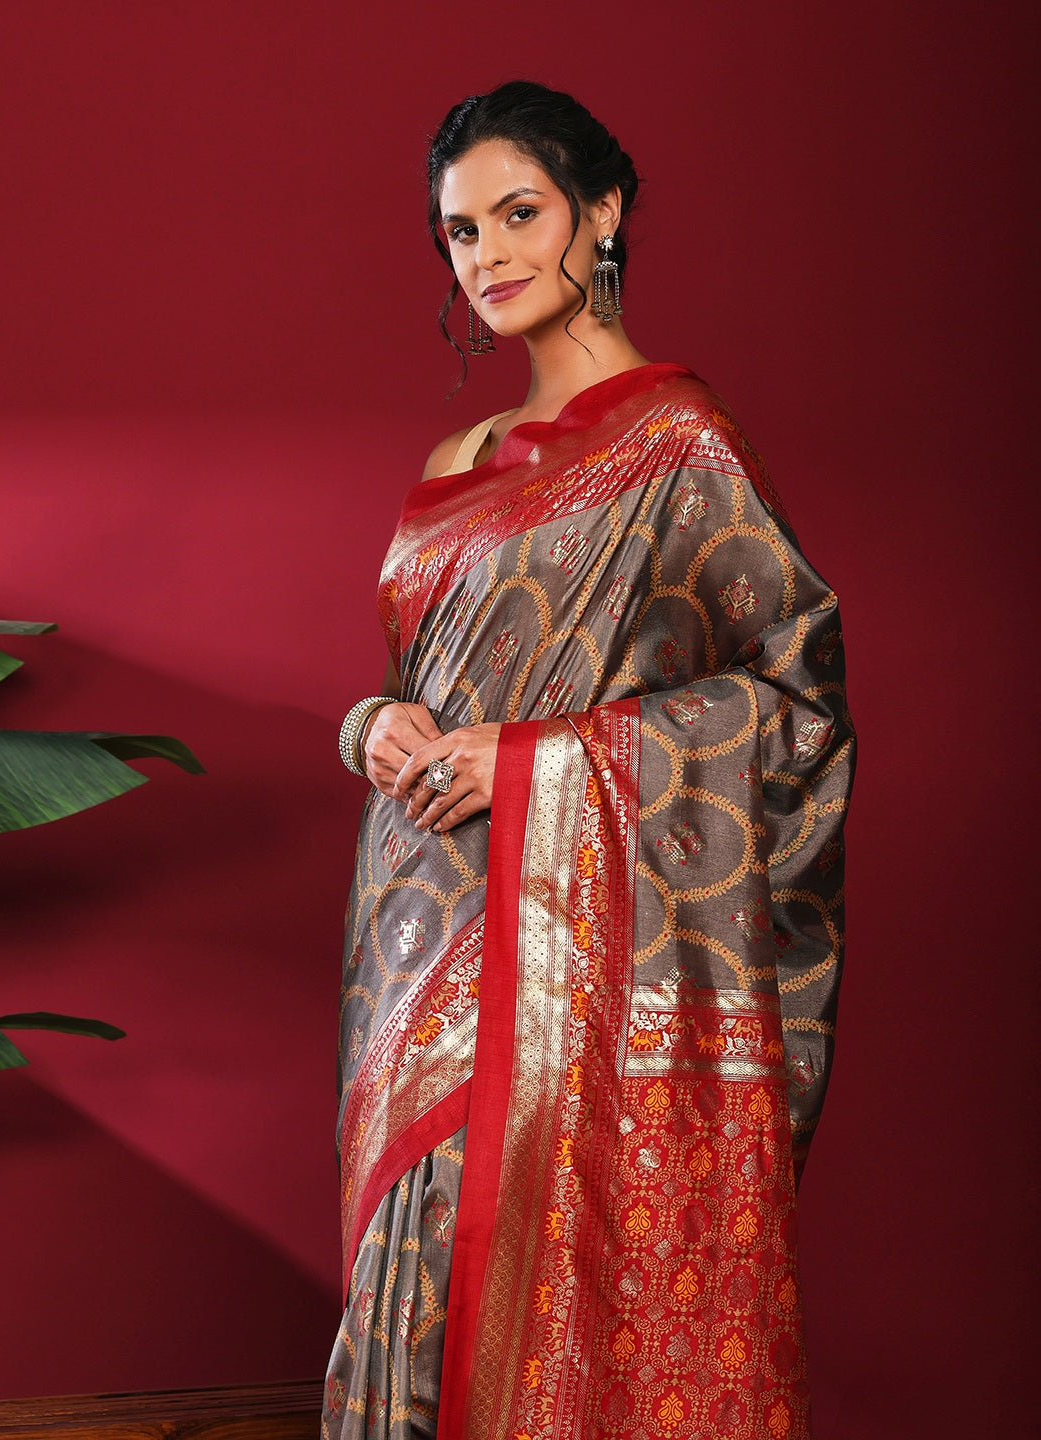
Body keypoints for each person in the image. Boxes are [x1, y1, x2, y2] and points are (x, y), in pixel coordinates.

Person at [325, 80, 854, 1440]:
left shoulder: (677, 443)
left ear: (600, 213)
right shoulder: (456, 455)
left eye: (519, 215)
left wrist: (539, 765)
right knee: (405, 1294)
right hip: (412, 953)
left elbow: (791, 701)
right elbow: (423, 690)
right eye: (460, 231)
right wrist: (370, 727)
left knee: (502, 1289)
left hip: (562, 964)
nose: (487, 256)